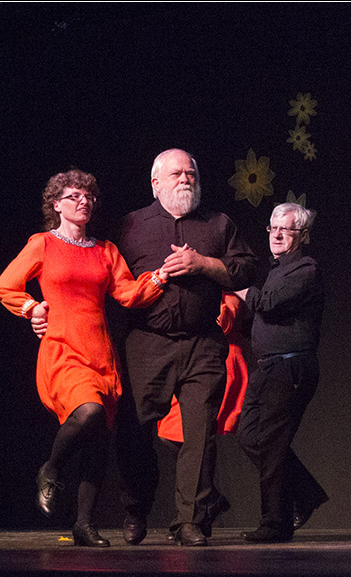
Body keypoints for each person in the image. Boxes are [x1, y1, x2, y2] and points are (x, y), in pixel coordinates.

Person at [0, 170, 168, 547]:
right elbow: (5, 285)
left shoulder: (105, 250)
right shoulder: (42, 244)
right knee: (88, 412)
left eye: (89, 197)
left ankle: (83, 524)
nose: (84, 202)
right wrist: (31, 307)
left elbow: (128, 294)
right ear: (56, 204)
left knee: (99, 439)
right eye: (74, 196)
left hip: (100, 351)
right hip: (62, 347)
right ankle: (51, 468)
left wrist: (162, 276)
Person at [112, 148, 258, 547]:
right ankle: (135, 508)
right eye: (176, 173)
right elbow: (107, 277)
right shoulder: (131, 225)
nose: (186, 179)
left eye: (191, 173)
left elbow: (246, 269)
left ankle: (189, 519)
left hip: (202, 342)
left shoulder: (218, 223)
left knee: (200, 434)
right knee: (136, 431)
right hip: (147, 342)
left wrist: (203, 264)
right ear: (156, 183)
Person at [236, 202, 327, 543]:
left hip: (290, 367)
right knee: (249, 436)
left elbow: (269, 303)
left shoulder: (306, 269)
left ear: (302, 235)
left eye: (285, 229)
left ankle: (276, 523)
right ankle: (305, 493)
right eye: (272, 228)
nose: (276, 234)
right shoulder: (277, 269)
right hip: (268, 367)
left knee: (272, 444)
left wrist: (241, 291)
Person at [155, 291, 248, 539]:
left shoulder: (228, 295)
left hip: (219, 362)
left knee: (197, 438)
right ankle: (207, 503)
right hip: (192, 362)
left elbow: (223, 322)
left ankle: (194, 513)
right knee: (172, 434)